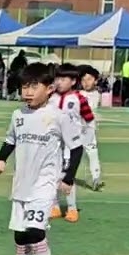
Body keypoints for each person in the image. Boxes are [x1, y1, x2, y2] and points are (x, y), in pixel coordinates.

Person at [0, 63, 83, 255]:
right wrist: (1, 158)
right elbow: (10, 139)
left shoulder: (58, 116)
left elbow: (76, 148)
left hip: (43, 187)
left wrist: (68, 178)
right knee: (20, 237)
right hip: (20, 186)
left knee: (35, 233)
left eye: (34, 86)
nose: (28, 92)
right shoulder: (18, 115)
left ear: (50, 89)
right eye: (24, 86)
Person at [51, 63, 95, 222]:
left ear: (73, 81)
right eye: (57, 78)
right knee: (52, 174)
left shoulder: (79, 98)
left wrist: (87, 138)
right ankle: (54, 206)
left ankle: (72, 208)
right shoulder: (51, 97)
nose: (59, 82)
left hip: (71, 144)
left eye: (63, 79)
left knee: (67, 175)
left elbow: (89, 119)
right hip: (53, 143)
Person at [79, 65, 104, 192]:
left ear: (95, 80)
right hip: (75, 130)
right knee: (68, 154)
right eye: (83, 80)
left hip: (88, 130)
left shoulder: (97, 94)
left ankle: (95, 178)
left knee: (93, 153)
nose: (86, 82)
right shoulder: (78, 94)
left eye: (89, 79)